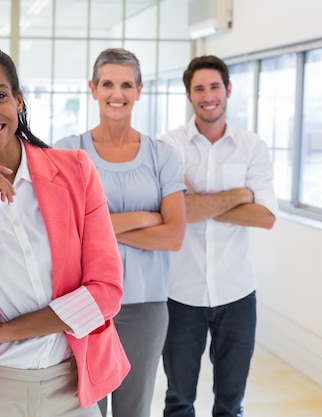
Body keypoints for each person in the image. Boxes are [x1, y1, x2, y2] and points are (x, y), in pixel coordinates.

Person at [0, 45, 130, 417]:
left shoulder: (76, 171)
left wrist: (5, 331)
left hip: (72, 386)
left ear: (18, 100)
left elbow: (106, 292)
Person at [55, 48, 187, 417]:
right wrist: (146, 218)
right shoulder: (69, 152)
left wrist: (99, 228)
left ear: (140, 90)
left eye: (126, 84)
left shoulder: (162, 156)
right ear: (92, 89)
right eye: (108, 84)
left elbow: (174, 236)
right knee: (84, 408)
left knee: (134, 409)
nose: (117, 93)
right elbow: (65, 232)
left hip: (146, 305)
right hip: (84, 303)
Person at [158, 55, 278, 417]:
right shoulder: (169, 145)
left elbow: (265, 217)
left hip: (237, 293)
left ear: (228, 90)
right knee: (179, 401)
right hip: (181, 294)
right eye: (199, 88)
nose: (208, 95)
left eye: (214, 86)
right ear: (188, 95)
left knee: (231, 403)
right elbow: (177, 213)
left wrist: (196, 202)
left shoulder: (252, 146)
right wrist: (240, 194)